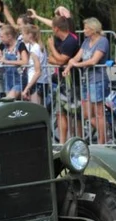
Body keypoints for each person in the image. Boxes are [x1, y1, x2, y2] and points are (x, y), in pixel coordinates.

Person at [63, 18, 109, 143]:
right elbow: (76, 57)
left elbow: (94, 60)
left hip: (97, 79)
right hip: (86, 80)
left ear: (93, 29)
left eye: (86, 28)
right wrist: (68, 67)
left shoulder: (102, 41)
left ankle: (102, 141)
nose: (84, 30)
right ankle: (105, 130)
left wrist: (77, 65)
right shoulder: (86, 41)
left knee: (99, 112)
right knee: (87, 114)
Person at [47, 14, 81, 144]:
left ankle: (77, 140)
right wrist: (57, 59)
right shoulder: (58, 40)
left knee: (74, 113)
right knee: (60, 112)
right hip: (61, 80)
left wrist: (52, 48)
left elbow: (61, 59)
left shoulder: (70, 41)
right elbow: (51, 59)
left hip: (73, 81)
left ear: (56, 28)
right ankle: (62, 142)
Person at [20, 24, 50, 106]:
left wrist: (26, 89)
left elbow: (37, 72)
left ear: (29, 35)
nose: (22, 37)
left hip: (37, 83)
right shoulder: (40, 47)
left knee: (36, 111)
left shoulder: (34, 50)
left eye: (23, 35)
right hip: (42, 82)